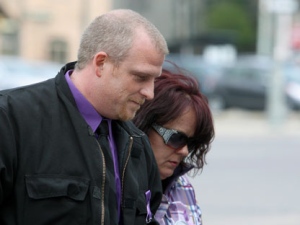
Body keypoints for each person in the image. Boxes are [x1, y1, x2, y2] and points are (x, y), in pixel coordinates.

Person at [0, 9, 169, 225]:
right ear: (101, 63)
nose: (150, 92)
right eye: (141, 77)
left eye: (154, 80)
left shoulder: (137, 144)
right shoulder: (11, 120)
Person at [133, 67, 215, 225]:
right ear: (143, 125)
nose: (184, 151)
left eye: (191, 143)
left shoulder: (182, 187)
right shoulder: (111, 181)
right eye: (176, 138)